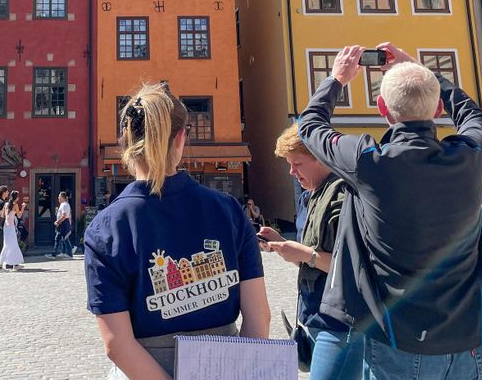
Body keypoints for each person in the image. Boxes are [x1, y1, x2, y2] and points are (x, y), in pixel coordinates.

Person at [298, 44, 482, 379]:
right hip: (474, 341)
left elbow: (310, 126)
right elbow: (475, 117)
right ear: (439, 107)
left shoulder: (369, 162)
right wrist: (422, 71)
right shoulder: (469, 157)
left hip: (402, 344)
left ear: (382, 107)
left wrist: (338, 79)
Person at [83, 82, 270, 379]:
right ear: (181, 137)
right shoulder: (228, 210)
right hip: (223, 368)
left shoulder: (106, 228)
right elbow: (258, 320)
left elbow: (117, 344)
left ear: (126, 141)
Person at [259, 124, 362, 380]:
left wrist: (306, 255)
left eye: (297, 163)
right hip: (316, 318)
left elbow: (352, 268)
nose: (292, 172)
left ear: (321, 157)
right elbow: (312, 258)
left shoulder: (344, 196)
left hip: (341, 323)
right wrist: (283, 244)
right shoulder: (312, 196)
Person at [0, 192, 26, 272]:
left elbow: (2, 215)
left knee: (10, 245)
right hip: (11, 227)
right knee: (11, 245)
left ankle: (15, 264)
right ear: (16, 198)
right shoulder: (15, 205)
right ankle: (0, 266)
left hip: (6, 227)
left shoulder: (6, 204)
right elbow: (19, 215)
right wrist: (23, 207)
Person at [49, 190, 73, 259]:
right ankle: (61, 253)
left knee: (65, 239)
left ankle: (69, 254)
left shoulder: (64, 205)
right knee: (60, 238)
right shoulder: (63, 204)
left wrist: (58, 222)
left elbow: (64, 216)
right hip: (63, 223)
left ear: (62, 197)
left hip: (64, 223)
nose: (58, 198)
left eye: (59, 197)